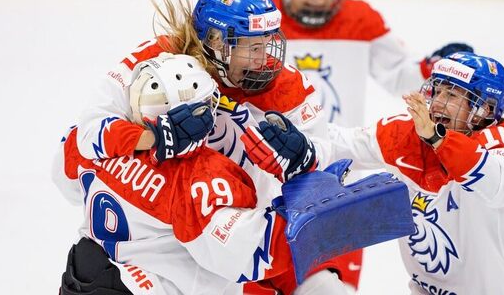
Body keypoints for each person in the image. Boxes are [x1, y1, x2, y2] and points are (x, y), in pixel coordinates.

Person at [70, 0, 356, 294]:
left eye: (268, 43)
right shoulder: (156, 65)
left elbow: (321, 159)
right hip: (187, 241)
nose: (265, 60)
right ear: (216, 39)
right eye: (253, 47)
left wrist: (304, 160)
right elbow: (87, 134)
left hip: (249, 229)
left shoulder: (287, 88)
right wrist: (155, 137)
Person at [52, 53, 321, 295]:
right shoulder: (197, 177)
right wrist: (307, 193)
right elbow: (253, 255)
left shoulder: (96, 141)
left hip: (83, 276)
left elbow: (64, 182)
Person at [324, 52, 504, 294]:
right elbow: (338, 144)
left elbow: (501, 185)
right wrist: (293, 136)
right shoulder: (407, 135)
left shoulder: (501, 143)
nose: (438, 102)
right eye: (437, 91)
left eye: (451, 95)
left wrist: (439, 139)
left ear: (485, 108)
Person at [274, 0, 473, 126]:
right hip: (269, 153)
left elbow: (399, 77)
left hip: (341, 154)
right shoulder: (266, 18)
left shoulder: (360, 19)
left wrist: (432, 68)